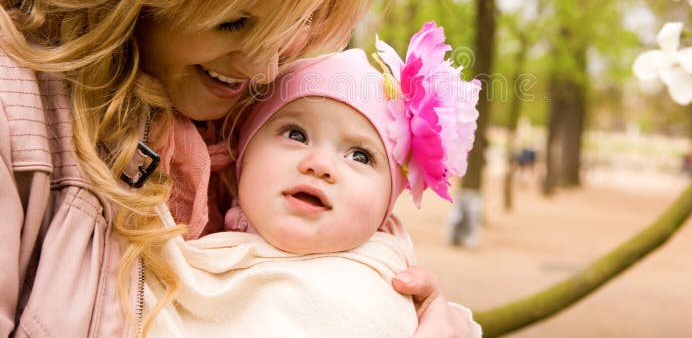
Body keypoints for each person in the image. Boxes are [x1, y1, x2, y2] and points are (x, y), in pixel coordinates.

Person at [0, 0, 478, 337]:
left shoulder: (245, 127)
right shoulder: (16, 110)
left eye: (291, 23)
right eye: (233, 21)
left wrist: (390, 304)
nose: (264, 66)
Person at [143, 23, 481, 337]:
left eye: (360, 156)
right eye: (296, 134)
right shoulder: (173, 253)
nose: (320, 165)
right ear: (242, 156)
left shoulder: (387, 281)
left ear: (386, 208)